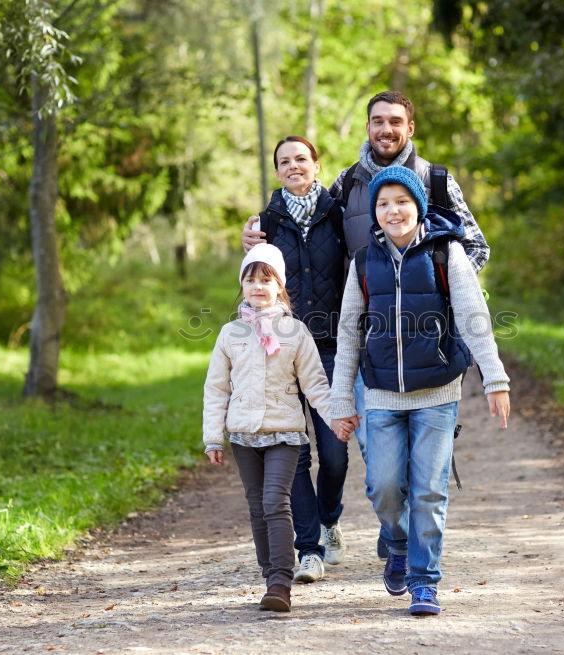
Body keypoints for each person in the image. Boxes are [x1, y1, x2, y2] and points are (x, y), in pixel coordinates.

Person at [242, 92, 492, 560]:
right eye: (378, 121)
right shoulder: (346, 185)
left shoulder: (436, 180)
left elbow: (476, 248)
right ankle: (389, 523)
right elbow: (310, 227)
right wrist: (253, 242)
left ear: (410, 129)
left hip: (424, 342)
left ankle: (409, 545)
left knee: (413, 448)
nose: (386, 130)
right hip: (357, 339)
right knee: (375, 453)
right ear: (367, 127)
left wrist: (436, 293)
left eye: (395, 121)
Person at [327, 166, 511, 617]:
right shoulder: (364, 261)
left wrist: (496, 378)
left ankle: (424, 581)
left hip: (438, 391)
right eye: (384, 203)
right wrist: (340, 400)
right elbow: (349, 333)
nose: (393, 211)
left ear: (418, 205)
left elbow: (473, 318)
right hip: (382, 392)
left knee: (429, 490)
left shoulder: (447, 252)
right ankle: (397, 541)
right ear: (375, 211)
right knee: (384, 487)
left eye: (402, 201)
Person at [202, 243, 333, 612]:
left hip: (284, 432)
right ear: (241, 284)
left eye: (266, 279)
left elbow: (315, 384)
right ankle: (268, 575)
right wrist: (213, 436)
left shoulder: (296, 332)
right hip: (243, 434)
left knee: (276, 501)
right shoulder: (230, 334)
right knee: (257, 506)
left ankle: (280, 582)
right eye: (250, 279)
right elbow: (216, 388)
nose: (257, 286)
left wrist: (336, 417)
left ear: (280, 285)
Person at [248, 137, 350, 584]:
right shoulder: (266, 222)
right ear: (277, 171)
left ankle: (330, 520)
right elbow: (256, 280)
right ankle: (309, 549)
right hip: (283, 347)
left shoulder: (340, 212)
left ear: (316, 164)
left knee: (335, 452)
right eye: (284, 161)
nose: (294, 166)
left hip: (331, 345)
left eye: (301, 159)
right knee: (297, 452)